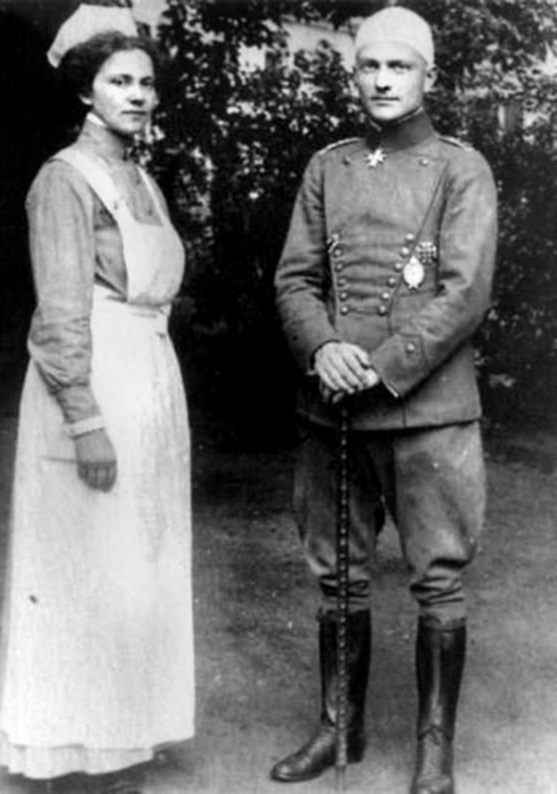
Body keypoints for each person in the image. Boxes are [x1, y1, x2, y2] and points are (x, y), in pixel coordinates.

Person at [270, 7, 497, 794]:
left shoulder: (461, 168)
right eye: (370, 67)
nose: (382, 81)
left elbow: (465, 295)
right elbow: (294, 278)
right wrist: (322, 347)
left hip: (427, 409)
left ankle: (435, 747)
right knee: (338, 573)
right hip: (331, 406)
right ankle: (342, 725)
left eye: (399, 68)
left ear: (427, 78)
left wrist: (380, 363)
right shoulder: (328, 168)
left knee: (437, 576)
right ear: (354, 75)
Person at [0, 29, 194, 793]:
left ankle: (127, 729)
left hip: (147, 368)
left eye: (145, 82)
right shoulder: (65, 179)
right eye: (119, 82)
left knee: (136, 558)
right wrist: (84, 418)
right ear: (85, 91)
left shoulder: (142, 179)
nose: (138, 95)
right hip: (92, 375)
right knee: (85, 559)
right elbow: (61, 311)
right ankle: (72, 746)